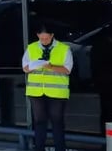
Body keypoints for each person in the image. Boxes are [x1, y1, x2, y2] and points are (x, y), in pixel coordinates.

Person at [22, 22, 72, 151]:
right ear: (38, 35)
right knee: (39, 122)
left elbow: (67, 69)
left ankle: (60, 149)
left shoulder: (63, 49)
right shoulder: (31, 48)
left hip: (57, 92)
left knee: (57, 122)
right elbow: (25, 68)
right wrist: (35, 65)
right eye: (42, 38)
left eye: (46, 38)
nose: (44, 41)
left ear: (52, 35)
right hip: (36, 92)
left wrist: (51, 66)